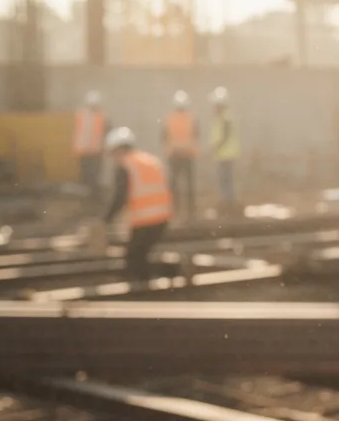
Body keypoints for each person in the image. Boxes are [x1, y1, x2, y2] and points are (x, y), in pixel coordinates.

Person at [101, 127, 172, 281]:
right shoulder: (151, 161)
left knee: (133, 259)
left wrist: (106, 219)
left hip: (144, 220)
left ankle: (144, 290)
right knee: (141, 255)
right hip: (162, 218)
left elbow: (120, 197)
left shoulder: (126, 166)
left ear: (118, 149)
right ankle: (155, 280)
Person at [162, 90, 199, 220]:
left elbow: (164, 136)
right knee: (188, 184)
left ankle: (175, 210)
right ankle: (191, 211)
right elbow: (196, 135)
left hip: (175, 155)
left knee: (175, 185)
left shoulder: (169, 118)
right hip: (187, 155)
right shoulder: (191, 118)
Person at [72, 90, 109, 201]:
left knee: (91, 175)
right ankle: (89, 196)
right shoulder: (98, 116)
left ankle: (90, 196)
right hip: (89, 151)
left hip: (91, 151)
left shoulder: (84, 115)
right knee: (88, 175)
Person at [208, 86, 240, 208]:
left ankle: (228, 203)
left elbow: (224, 136)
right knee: (226, 181)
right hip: (224, 154)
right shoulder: (223, 117)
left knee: (225, 181)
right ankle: (227, 202)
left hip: (225, 154)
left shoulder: (225, 118)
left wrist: (215, 147)